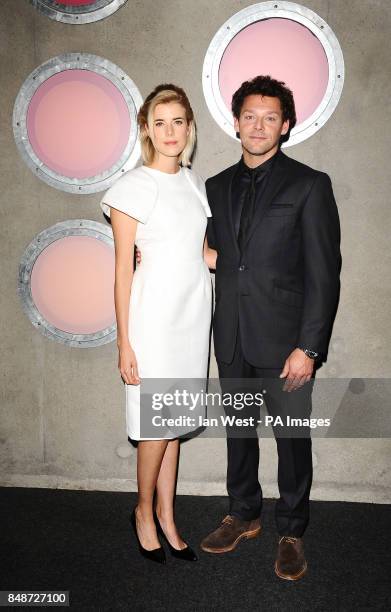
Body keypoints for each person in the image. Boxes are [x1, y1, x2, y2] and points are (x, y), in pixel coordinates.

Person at [200, 75, 341, 581]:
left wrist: (310, 347)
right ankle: (243, 513)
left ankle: (291, 530)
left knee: (291, 438)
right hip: (232, 335)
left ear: (285, 125)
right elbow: (218, 256)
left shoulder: (309, 184)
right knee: (238, 432)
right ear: (236, 122)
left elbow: (325, 273)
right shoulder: (214, 186)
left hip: (286, 343)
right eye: (249, 116)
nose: (258, 125)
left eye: (270, 117)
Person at [99, 84, 215, 564]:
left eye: (178, 122)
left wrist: (261, 261)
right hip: (153, 319)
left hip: (192, 315)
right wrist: (124, 342)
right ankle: (143, 511)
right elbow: (122, 269)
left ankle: (168, 515)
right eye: (160, 122)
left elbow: (201, 255)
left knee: (176, 421)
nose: (170, 131)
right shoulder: (131, 187)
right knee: (156, 424)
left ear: (189, 128)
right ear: (147, 128)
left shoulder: (194, 183)